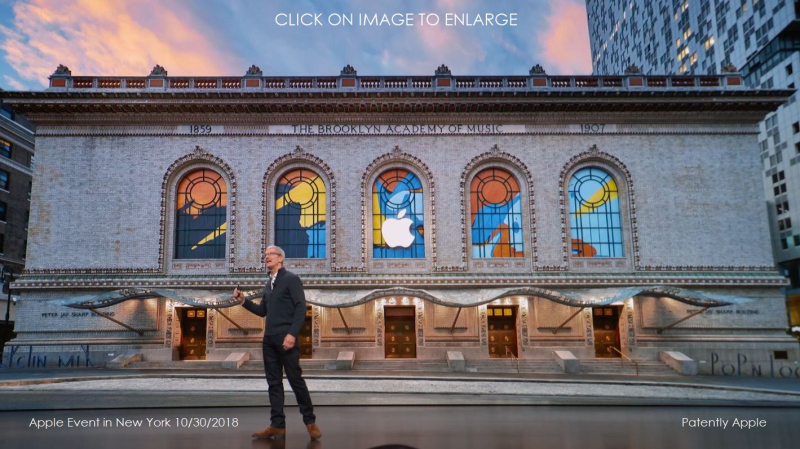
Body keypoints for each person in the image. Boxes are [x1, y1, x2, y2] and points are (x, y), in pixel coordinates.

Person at [234, 246, 321, 441]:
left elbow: (301, 308)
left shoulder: (291, 279)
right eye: (264, 255)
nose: (266, 257)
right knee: (273, 383)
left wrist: (292, 334)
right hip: (269, 340)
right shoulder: (267, 285)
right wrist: (243, 300)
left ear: (280, 258)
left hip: (286, 339)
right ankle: (277, 425)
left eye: (270, 254)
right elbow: (262, 311)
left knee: (295, 380)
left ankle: (310, 422)